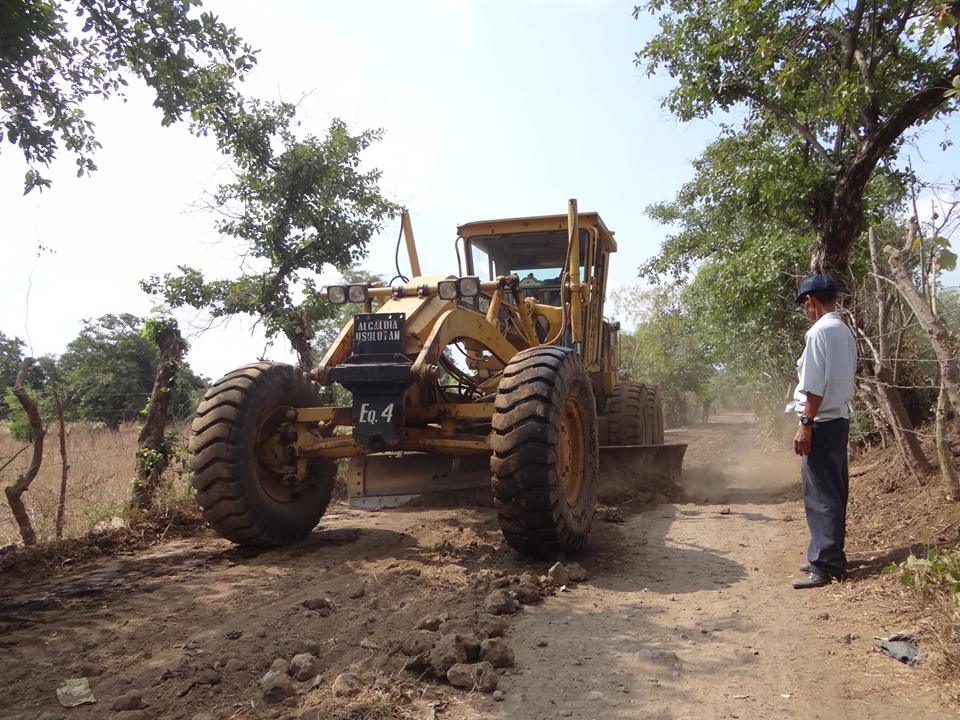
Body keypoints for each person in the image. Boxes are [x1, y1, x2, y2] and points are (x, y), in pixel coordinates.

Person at [786, 274, 858, 590]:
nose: (804, 309)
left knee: (820, 494)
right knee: (834, 490)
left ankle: (826, 565)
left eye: (804, 303)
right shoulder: (843, 331)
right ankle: (827, 555)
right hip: (839, 419)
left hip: (822, 422)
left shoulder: (818, 333)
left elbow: (815, 386)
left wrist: (806, 425)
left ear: (811, 301)